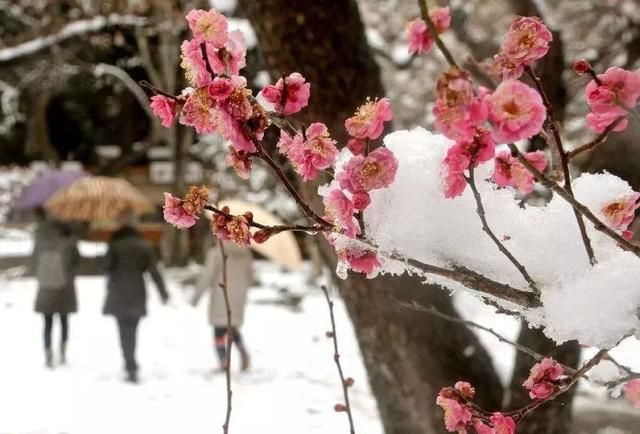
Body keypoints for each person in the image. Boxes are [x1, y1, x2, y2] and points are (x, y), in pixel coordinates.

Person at [103, 211, 168, 383]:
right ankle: (131, 362)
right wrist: (163, 293)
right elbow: (154, 272)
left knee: (123, 331)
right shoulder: (143, 245)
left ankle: (129, 362)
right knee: (132, 330)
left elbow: (106, 267)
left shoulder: (114, 245)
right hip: (137, 293)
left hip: (118, 293)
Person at [192, 242, 252, 372]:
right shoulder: (245, 252)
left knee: (219, 330)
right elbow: (250, 275)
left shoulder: (216, 252)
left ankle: (224, 362)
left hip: (221, 295)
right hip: (239, 295)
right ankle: (243, 352)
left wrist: (196, 297)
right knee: (232, 327)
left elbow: (207, 276)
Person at [33, 211, 80, 368]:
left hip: (46, 287)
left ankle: (47, 353)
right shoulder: (70, 239)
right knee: (64, 321)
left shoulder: (40, 237)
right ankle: (62, 352)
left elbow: (34, 260)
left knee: (47, 322)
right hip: (65, 287)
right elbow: (77, 262)